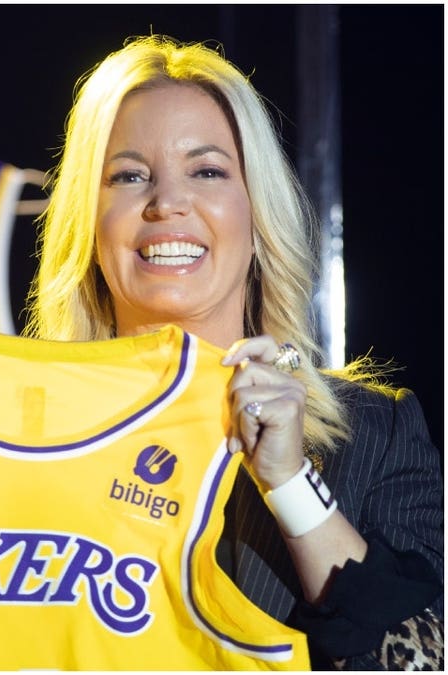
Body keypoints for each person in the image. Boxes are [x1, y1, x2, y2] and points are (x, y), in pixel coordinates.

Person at [25, 35, 442, 669]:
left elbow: (417, 659)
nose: (167, 203)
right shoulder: (21, 434)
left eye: (208, 170)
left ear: (257, 217)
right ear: (89, 222)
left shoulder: (375, 432)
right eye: (129, 175)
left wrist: (289, 481)